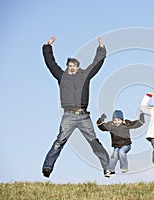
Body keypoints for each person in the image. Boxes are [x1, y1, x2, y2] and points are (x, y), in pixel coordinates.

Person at [41, 36, 111, 178]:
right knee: (60, 141)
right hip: (68, 115)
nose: (71, 67)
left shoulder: (85, 75)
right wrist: (47, 48)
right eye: (69, 65)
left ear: (78, 67)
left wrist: (101, 50)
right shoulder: (61, 76)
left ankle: (107, 168)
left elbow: (96, 64)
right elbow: (51, 63)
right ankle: (47, 167)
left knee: (94, 142)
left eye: (74, 65)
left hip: (84, 115)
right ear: (67, 67)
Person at [96, 110, 145, 175]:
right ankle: (110, 170)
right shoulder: (111, 125)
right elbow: (101, 127)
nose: (116, 122)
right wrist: (101, 119)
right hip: (116, 146)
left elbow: (136, 124)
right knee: (114, 156)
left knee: (121, 152)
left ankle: (124, 168)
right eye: (115, 120)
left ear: (122, 120)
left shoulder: (126, 124)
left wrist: (141, 118)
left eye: (118, 120)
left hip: (126, 145)